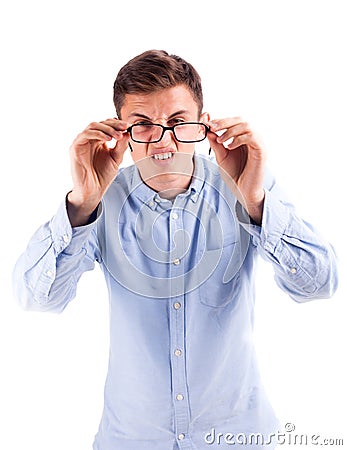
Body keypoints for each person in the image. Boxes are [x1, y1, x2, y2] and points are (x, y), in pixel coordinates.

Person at [13, 50, 338, 450]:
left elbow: (319, 285)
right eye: (143, 125)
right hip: (131, 439)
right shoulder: (102, 200)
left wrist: (256, 203)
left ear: (203, 125)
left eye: (177, 122)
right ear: (120, 132)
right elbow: (35, 299)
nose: (163, 140)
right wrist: (81, 203)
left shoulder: (244, 185)